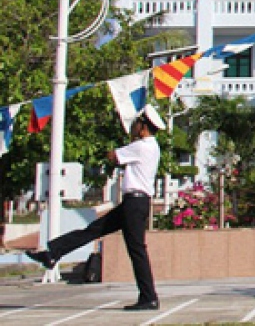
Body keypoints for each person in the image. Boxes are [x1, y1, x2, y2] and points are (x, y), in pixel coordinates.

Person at [27, 107, 166, 311]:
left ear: (144, 127)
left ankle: (149, 297)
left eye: (137, 124)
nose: (133, 127)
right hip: (134, 203)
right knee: (94, 230)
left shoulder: (142, 146)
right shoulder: (150, 146)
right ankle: (53, 253)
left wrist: (109, 149)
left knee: (137, 250)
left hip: (134, 204)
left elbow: (113, 156)